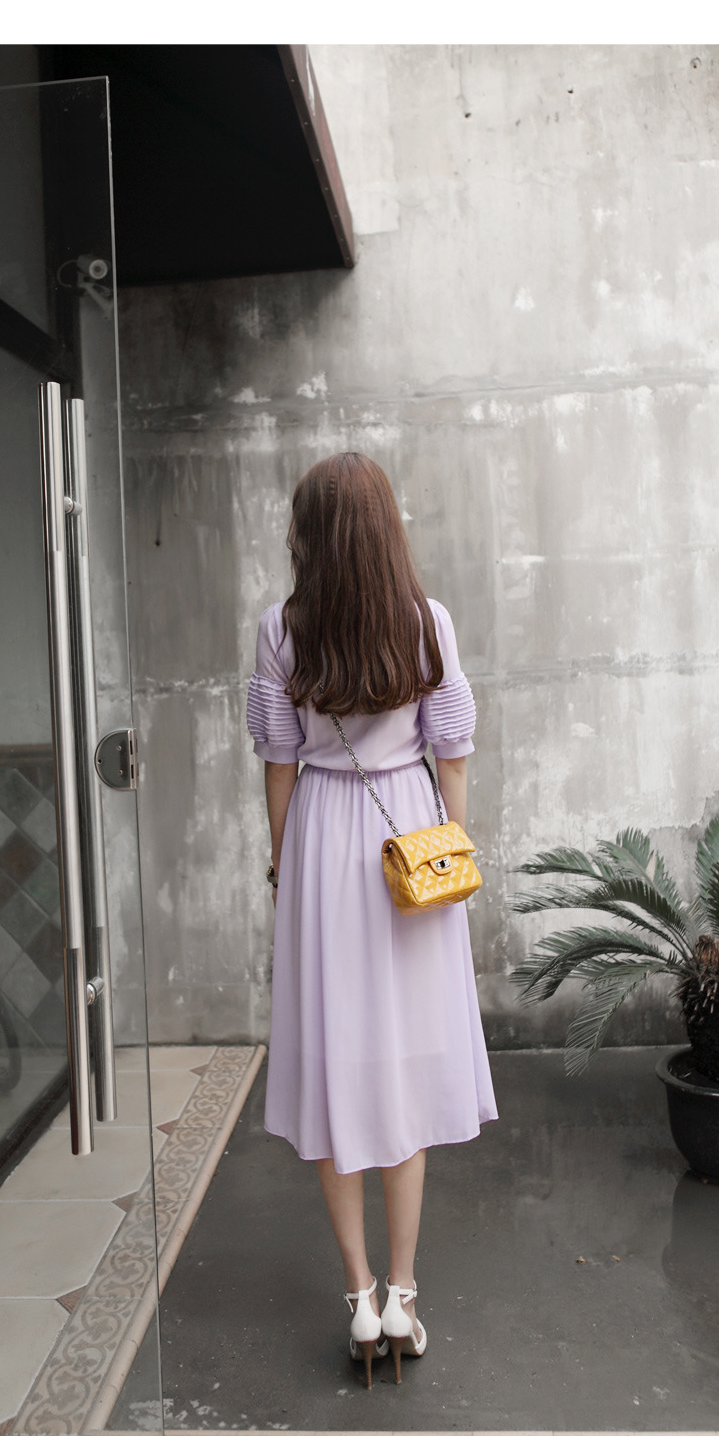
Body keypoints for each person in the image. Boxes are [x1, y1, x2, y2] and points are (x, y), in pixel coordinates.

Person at [246, 452, 498, 1389]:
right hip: (409, 841)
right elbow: (453, 752)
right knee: (407, 1063)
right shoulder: (427, 623)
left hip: (322, 836)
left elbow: (278, 762)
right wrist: (450, 853)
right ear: (388, 527)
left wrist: (285, 867)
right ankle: (403, 1294)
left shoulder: (280, 629)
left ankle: (356, 1297)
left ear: (308, 532)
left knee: (335, 1060)